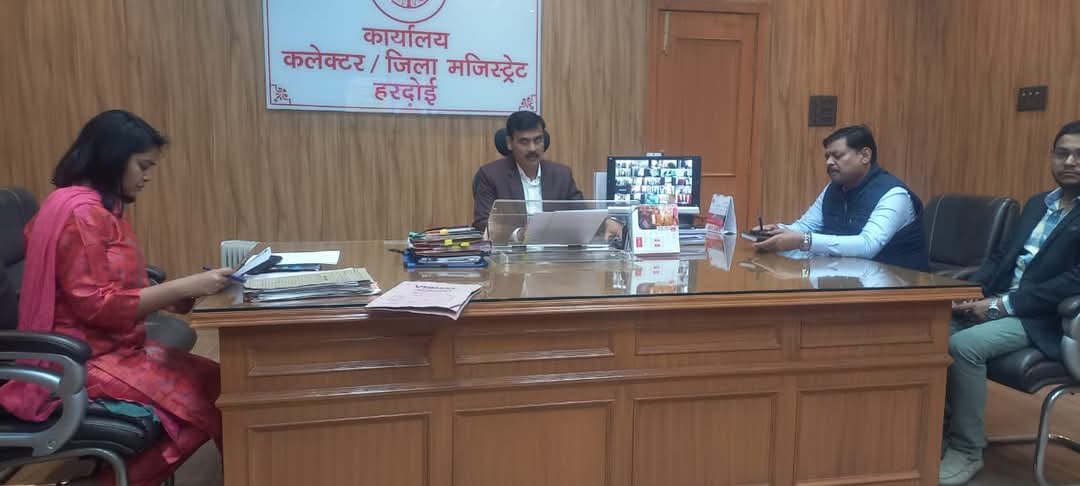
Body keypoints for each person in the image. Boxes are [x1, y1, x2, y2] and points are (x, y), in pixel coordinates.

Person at [0, 110, 235, 486]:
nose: (147, 176)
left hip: (114, 347)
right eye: (143, 165)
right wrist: (183, 286)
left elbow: (110, 285)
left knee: (223, 386)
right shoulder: (82, 216)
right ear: (113, 158)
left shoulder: (97, 209)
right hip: (84, 360)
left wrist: (170, 298)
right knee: (206, 403)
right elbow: (97, 305)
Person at [939, 120, 1080, 486]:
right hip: (1001, 302)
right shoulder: (1037, 204)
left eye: (1079, 155)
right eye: (1062, 153)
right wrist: (973, 291)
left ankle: (967, 449)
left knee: (964, 346)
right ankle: (944, 429)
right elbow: (1001, 257)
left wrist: (1002, 306)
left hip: (1046, 318)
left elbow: (1072, 282)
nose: (1069, 162)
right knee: (932, 331)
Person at [752, 125, 929, 271]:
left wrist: (804, 240)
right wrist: (776, 231)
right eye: (827, 157)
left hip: (899, 288)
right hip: (849, 284)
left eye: (837, 156)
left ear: (865, 156)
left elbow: (867, 245)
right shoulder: (833, 188)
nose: (828, 162)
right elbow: (806, 226)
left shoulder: (894, 195)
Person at [471, 111, 583, 231]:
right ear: (509, 143)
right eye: (524, 142)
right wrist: (518, 235)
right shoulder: (490, 175)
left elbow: (582, 216)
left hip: (555, 242)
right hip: (512, 243)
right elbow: (483, 222)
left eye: (538, 140)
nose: (532, 148)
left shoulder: (562, 175)